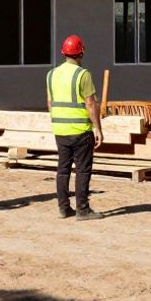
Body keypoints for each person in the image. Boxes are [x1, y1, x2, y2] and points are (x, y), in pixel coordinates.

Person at [46, 34, 105, 220]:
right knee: (82, 170)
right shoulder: (82, 74)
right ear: (81, 52)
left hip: (60, 130)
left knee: (63, 169)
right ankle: (82, 209)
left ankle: (64, 208)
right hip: (80, 130)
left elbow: (50, 103)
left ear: (64, 53)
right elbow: (90, 104)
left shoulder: (51, 74)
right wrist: (98, 129)